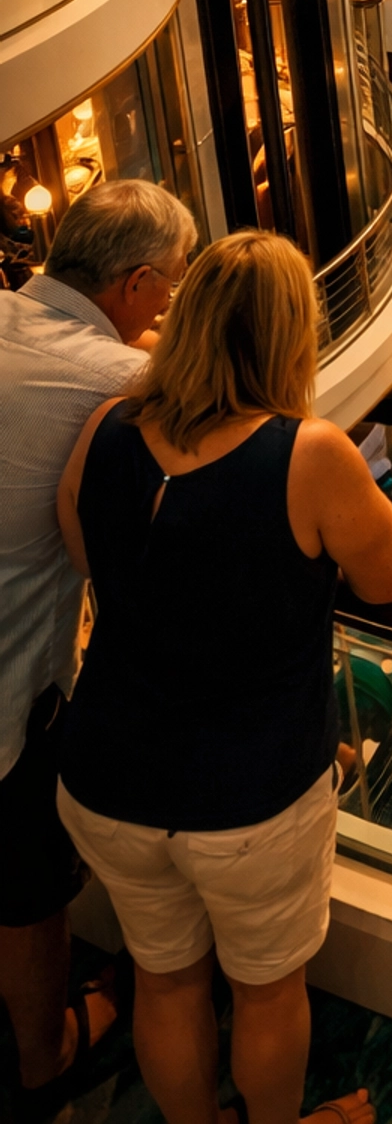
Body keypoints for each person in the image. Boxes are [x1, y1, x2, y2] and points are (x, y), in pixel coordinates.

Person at [54, 232, 392, 1124]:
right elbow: (391, 577)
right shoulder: (308, 453)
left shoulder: (106, 427)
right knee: (266, 991)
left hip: (106, 772)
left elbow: (85, 548)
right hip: (248, 797)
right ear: (287, 336)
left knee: (166, 976)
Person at [0, 184, 197, 1100]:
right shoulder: (112, 380)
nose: (168, 309)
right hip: (9, 693)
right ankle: (43, 1061)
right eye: (166, 291)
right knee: (28, 893)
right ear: (137, 280)